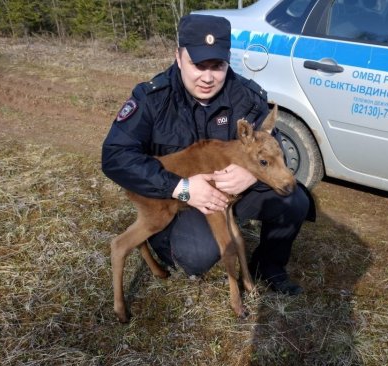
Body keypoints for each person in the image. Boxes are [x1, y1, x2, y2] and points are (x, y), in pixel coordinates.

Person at [101, 14, 314, 295]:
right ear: (178, 58)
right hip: (179, 197)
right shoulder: (153, 98)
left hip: (234, 191)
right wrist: (181, 187)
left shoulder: (245, 96)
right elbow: (115, 157)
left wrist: (251, 175)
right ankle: (164, 244)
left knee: (294, 200)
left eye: (217, 66)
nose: (208, 76)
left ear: (228, 62)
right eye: (198, 65)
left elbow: (271, 144)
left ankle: (269, 265)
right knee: (197, 256)